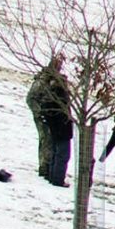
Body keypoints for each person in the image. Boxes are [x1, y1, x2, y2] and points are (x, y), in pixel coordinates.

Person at [28, 55, 73, 186]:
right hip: (44, 116)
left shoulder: (54, 81)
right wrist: (40, 113)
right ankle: (45, 169)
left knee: (51, 143)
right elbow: (31, 98)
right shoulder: (43, 81)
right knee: (46, 141)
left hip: (51, 117)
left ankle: (49, 169)